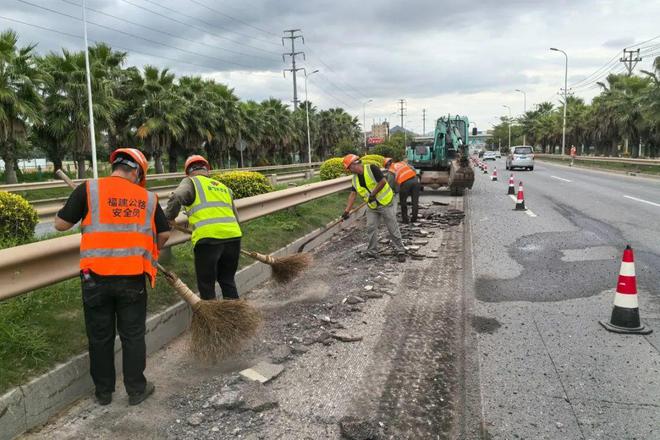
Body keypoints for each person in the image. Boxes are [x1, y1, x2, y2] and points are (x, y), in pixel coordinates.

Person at [54, 148, 171, 406]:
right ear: (137, 171)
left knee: (100, 335)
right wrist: (150, 249)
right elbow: (163, 234)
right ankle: (136, 390)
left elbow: (60, 224)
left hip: (95, 278)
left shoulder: (88, 189)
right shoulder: (148, 198)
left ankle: (104, 392)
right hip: (132, 277)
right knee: (132, 335)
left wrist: (84, 215)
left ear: (115, 166)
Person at [164, 155, 242, 300]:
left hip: (208, 240)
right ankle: (235, 318)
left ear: (188, 171)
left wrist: (168, 218)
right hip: (233, 238)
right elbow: (235, 217)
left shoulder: (191, 181)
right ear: (207, 170)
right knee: (227, 280)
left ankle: (211, 320)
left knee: (207, 285)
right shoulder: (223, 187)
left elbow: (176, 197)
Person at [341, 154, 406, 262]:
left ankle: (400, 250)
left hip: (385, 202)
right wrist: (347, 211)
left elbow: (382, 182)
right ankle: (372, 251)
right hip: (372, 206)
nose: (350, 170)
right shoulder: (355, 179)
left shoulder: (371, 168)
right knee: (370, 227)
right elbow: (353, 194)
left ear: (355, 163)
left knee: (392, 227)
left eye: (350, 167)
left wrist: (372, 194)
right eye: (348, 169)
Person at [384, 157, 421, 223]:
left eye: (386, 167)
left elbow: (391, 183)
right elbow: (413, 169)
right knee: (415, 201)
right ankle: (414, 219)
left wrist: (393, 191)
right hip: (415, 180)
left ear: (387, 165)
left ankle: (405, 219)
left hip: (406, 183)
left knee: (403, 201)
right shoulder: (402, 163)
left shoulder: (391, 169)